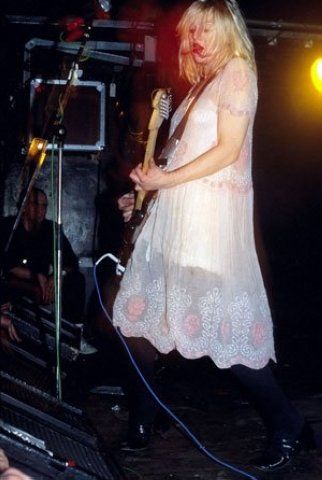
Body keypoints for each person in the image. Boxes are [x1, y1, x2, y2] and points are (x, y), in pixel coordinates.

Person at [112, 0, 315, 472]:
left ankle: (288, 423)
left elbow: (227, 150)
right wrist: (147, 196)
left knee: (226, 339)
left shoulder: (238, 72)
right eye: (190, 31)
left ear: (227, 26)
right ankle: (145, 419)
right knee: (135, 325)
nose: (196, 38)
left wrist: (164, 182)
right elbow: (181, 158)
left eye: (206, 27)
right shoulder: (199, 86)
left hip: (207, 229)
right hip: (175, 223)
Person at [0, 187, 85, 324]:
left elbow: (71, 262)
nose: (40, 209)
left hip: (44, 285)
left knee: (76, 280)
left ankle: (72, 330)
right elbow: (6, 264)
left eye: (44, 205)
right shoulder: (8, 226)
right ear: (24, 206)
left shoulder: (51, 229)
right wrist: (35, 274)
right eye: (35, 204)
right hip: (16, 285)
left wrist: (58, 275)